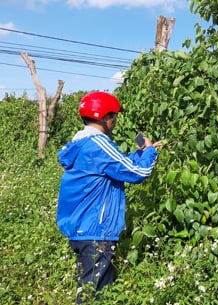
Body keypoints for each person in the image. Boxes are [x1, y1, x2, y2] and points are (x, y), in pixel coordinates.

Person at [56, 91, 161, 303]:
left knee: (97, 290)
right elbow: (136, 173)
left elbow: (116, 167)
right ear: (105, 118)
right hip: (97, 231)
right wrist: (149, 152)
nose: (115, 122)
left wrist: (143, 152)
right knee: (92, 295)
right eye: (114, 116)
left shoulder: (82, 143)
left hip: (81, 230)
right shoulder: (99, 144)